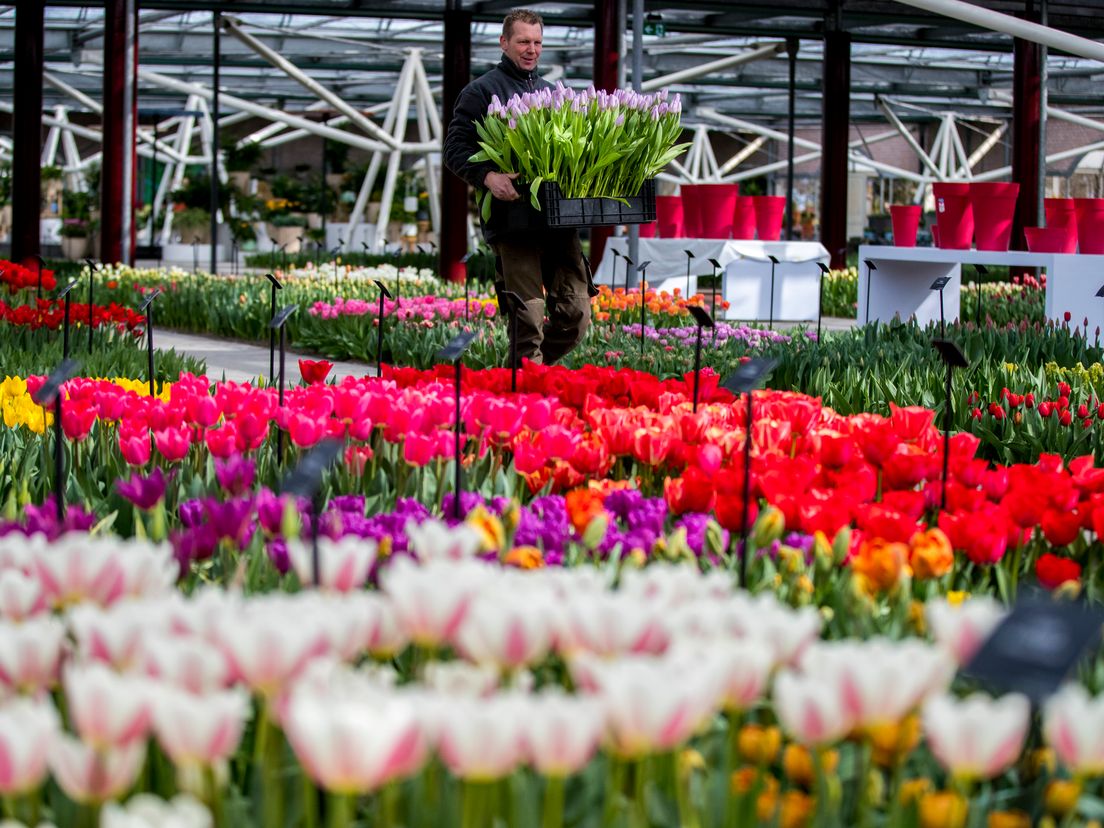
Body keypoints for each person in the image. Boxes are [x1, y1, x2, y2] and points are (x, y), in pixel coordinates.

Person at [443, 8, 595, 366]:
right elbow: (455, 149)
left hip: (558, 221)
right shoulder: (481, 92)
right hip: (513, 222)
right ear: (504, 43)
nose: (532, 49)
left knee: (577, 314)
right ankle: (523, 393)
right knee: (527, 318)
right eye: (524, 41)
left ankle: (524, 373)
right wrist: (488, 177)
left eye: (538, 42)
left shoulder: (554, 95)